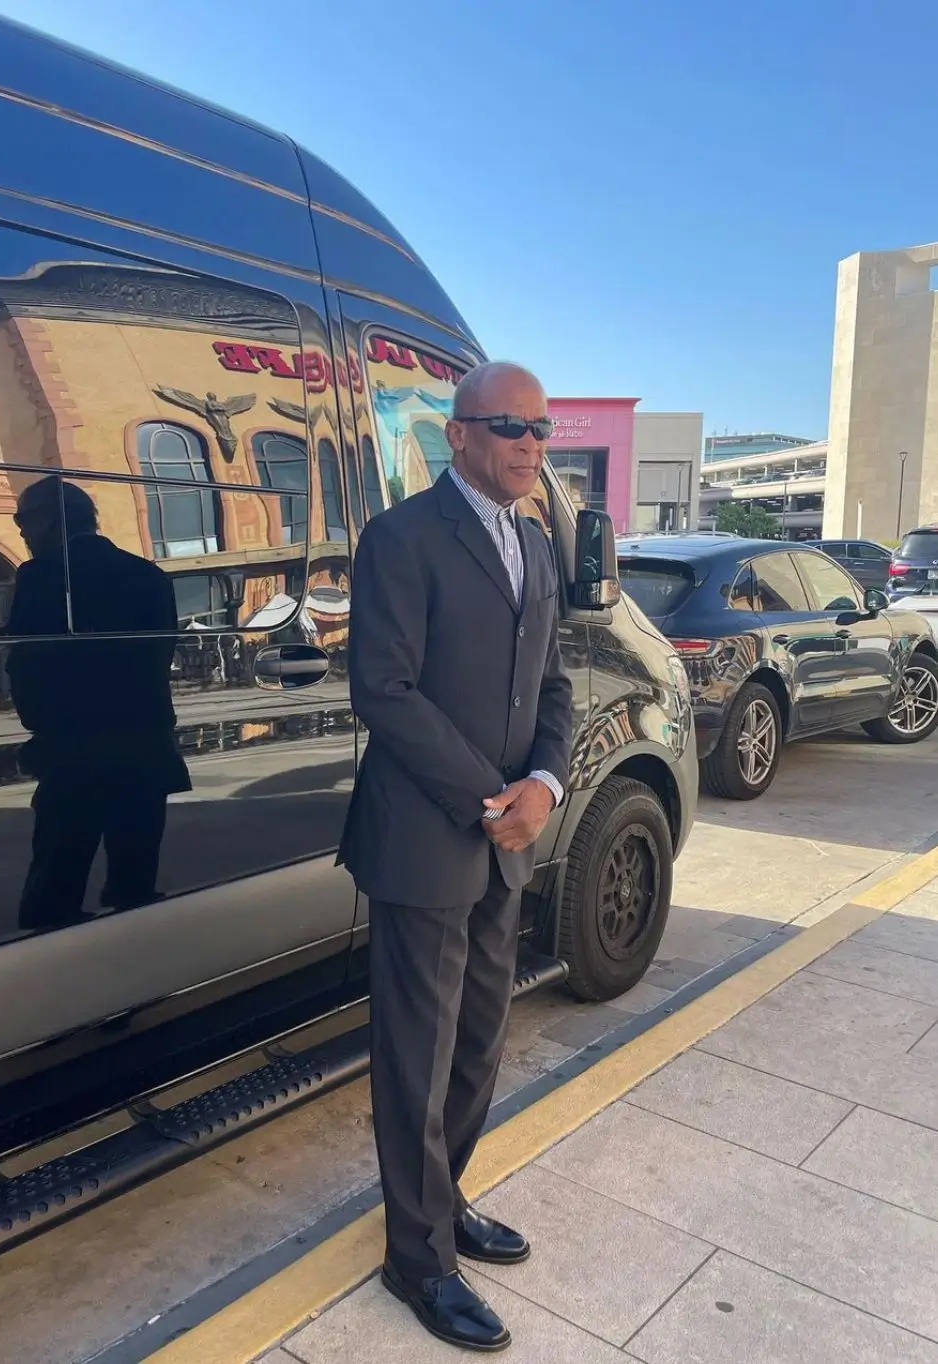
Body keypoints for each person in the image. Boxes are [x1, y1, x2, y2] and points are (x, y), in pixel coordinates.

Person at [339, 362, 573, 1352]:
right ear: (458, 436)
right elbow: (381, 690)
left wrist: (547, 788)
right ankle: (417, 1256)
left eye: (541, 428)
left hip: (504, 844)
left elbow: (555, 682)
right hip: (425, 840)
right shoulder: (399, 538)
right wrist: (492, 797)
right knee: (417, 1055)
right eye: (510, 426)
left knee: (479, 1042)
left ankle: (444, 1201)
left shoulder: (537, 543)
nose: (530, 444)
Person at [6, 476, 190, 930]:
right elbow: (160, 654)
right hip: (145, 745)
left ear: (51, 517)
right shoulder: (149, 575)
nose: (22, 533)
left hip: (75, 750)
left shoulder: (40, 575)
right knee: (135, 881)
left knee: (53, 886)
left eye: (23, 520)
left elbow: (26, 662)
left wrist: (39, 724)